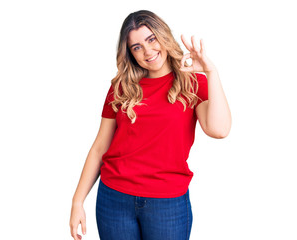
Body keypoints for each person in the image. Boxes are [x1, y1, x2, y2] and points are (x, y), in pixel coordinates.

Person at [69, 9, 231, 240]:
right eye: (137, 47)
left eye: (151, 39)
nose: (147, 51)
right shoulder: (122, 87)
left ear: (163, 36)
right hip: (114, 198)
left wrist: (210, 71)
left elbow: (219, 130)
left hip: (167, 203)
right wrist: (77, 201)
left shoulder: (193, 82)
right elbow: (99, 147)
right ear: (131, 54)